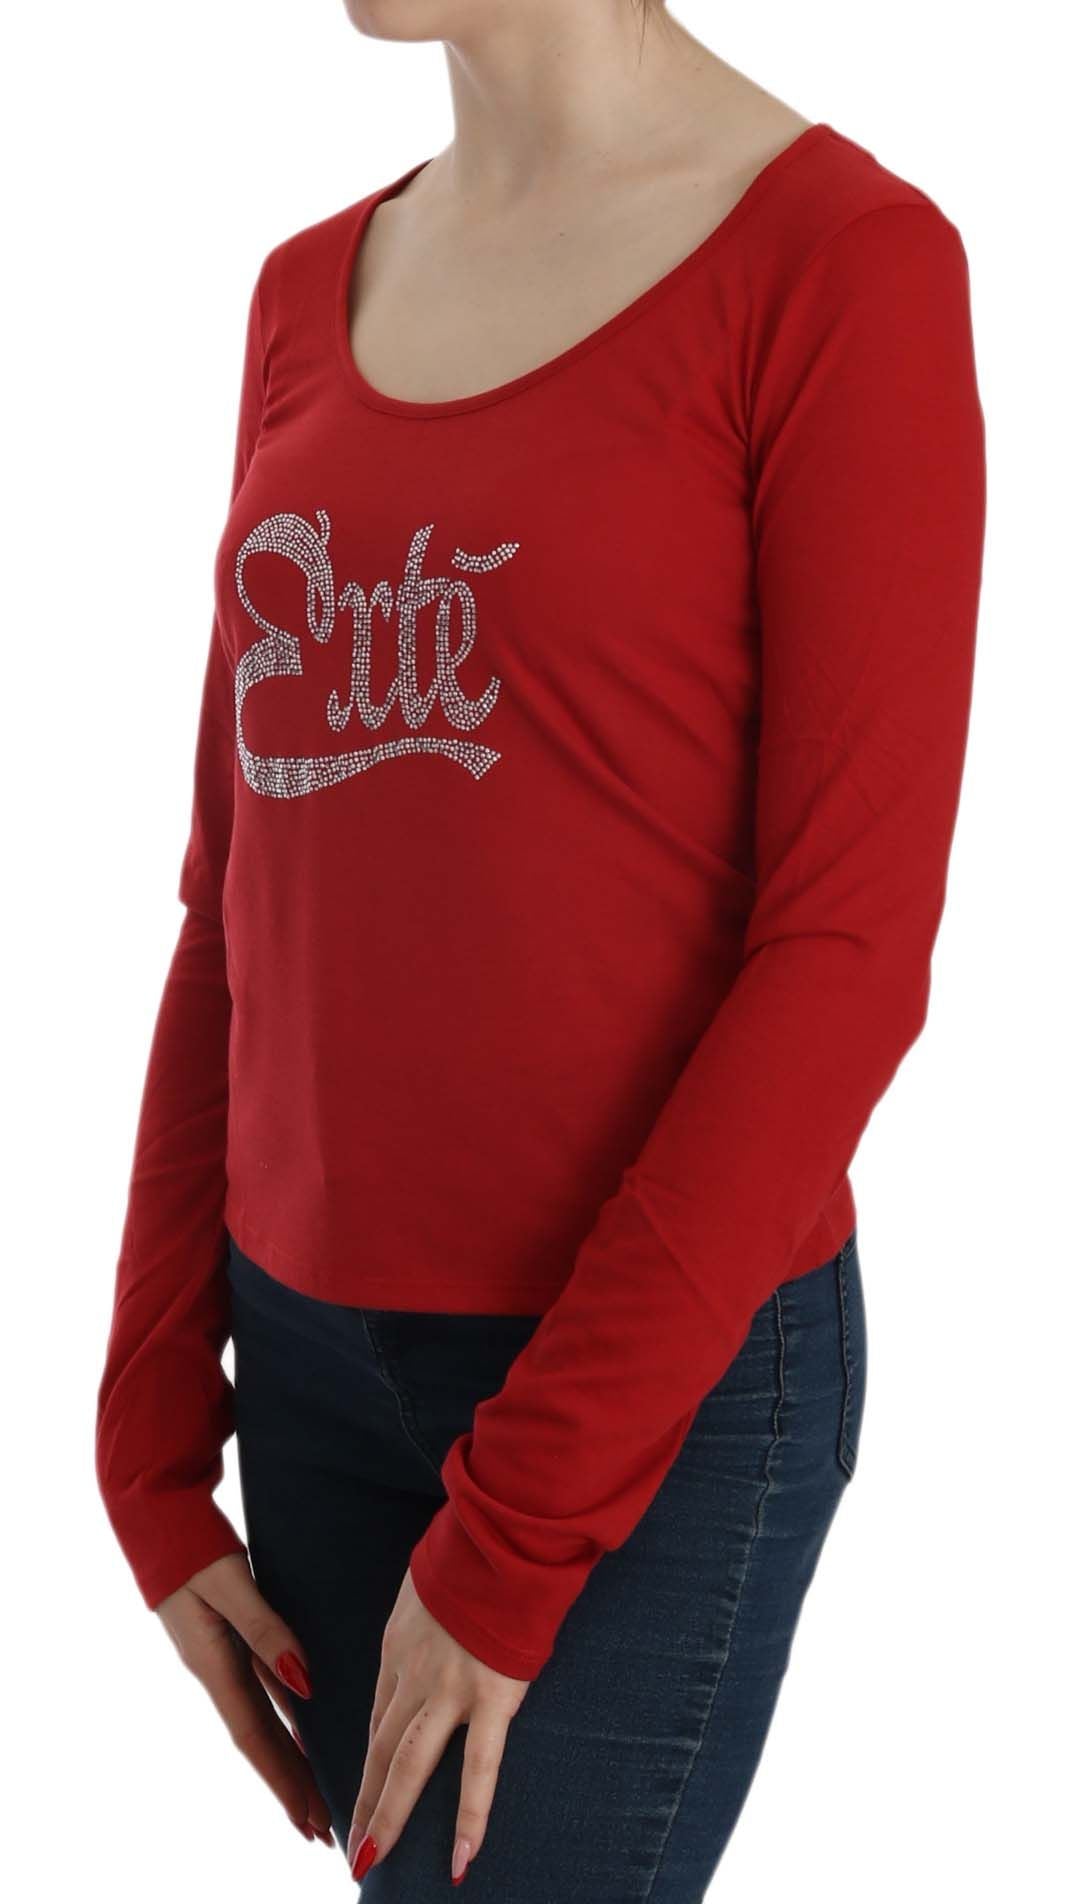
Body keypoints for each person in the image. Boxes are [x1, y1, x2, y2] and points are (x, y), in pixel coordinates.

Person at [95, 2, 986, 1897]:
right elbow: (236, 891)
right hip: (304, 1362)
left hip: (645, 1389)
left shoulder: (841, 266)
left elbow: (847, 954)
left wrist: (521, 1526)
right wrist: (149, 1424)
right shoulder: (300, 290)